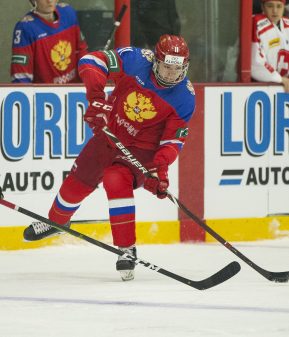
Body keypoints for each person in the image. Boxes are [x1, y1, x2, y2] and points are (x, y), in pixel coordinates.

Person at [23, 35, 196, 281]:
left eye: (177, 68)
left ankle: (126, 249)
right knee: (76, 184)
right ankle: (55, 222)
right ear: (155, 61)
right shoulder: (136, 60)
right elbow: (91, 60)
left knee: (116, 179)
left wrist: (160, 169)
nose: (171, 74)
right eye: (167, 66)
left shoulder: (185, 97)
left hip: (140, 150)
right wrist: (96, 100)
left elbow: (172, 142)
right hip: (109, 134)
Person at [10, 0, 88, 83]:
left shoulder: (68, 12)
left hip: (75, 91)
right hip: (45, 94)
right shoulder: (25, 28)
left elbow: (81, 51)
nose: (49, 0)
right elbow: (21, 77)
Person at [251, 0, 289, 92]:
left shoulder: (287, 24)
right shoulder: (255, 23)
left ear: (284, 7)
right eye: (270, 6)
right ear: (262, 7)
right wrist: (280, 79)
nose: (275, 11)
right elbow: (255, 63)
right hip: (259, 87)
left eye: (279, 6)